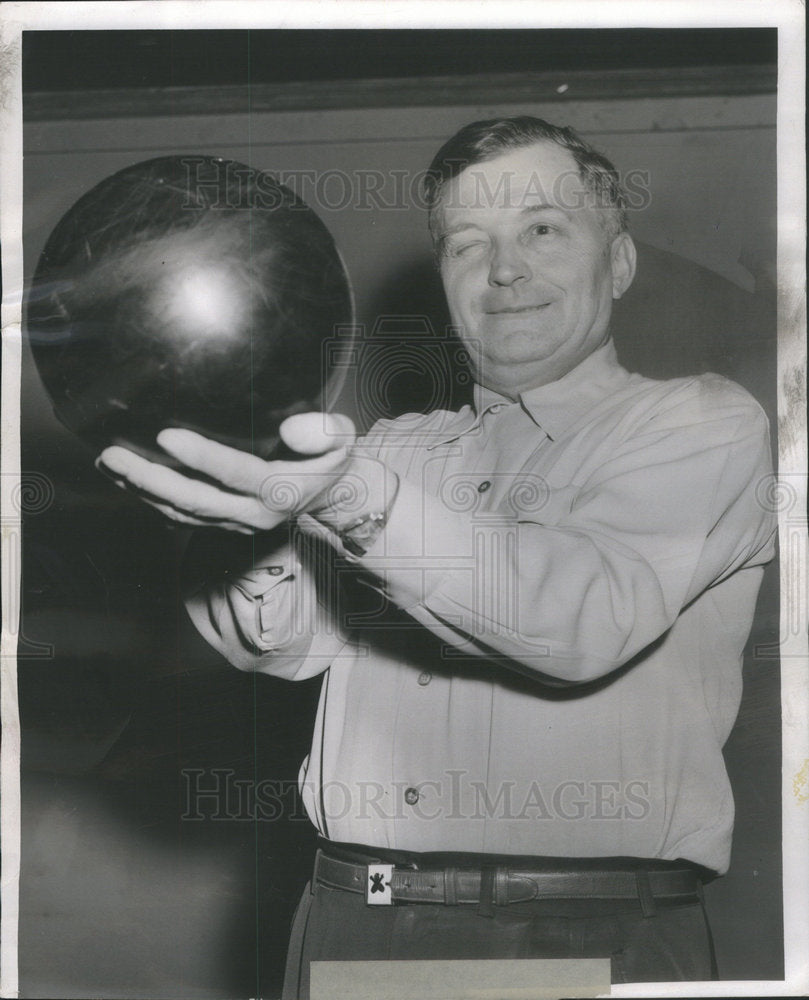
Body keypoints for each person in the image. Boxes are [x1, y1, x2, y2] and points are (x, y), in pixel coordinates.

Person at [98, 117, 776, 993]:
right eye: (467, 244)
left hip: (583, 932)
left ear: (617, 262)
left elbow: (581, 618)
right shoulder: (390, 450)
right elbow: (284, 644)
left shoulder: (700, 424)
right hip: (356, 919)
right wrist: (241, 515)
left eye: (541, 230)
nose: (502, 270)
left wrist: (346, 497)